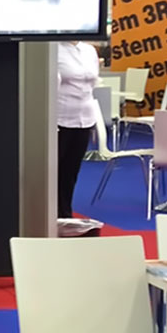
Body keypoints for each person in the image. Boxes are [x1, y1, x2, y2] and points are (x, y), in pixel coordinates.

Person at [57, 40, 102, 220]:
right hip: (59, 118)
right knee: (54, 170)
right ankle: (49, 213)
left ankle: (65, 213)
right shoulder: (53, 49)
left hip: (85, 119)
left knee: (71, 171)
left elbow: (92, 84)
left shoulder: (89, 50)